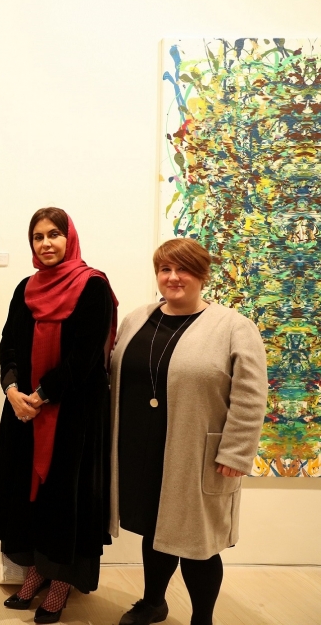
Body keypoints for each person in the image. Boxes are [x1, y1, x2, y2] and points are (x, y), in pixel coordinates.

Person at [109, 238, 267, 625]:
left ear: (202, 275)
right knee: (155, 529)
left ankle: (202, 619)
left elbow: (250, 396)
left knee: (199, 542)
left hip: (198, 453)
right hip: (140, 449)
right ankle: (153, 603)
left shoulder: (233, 327)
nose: (173, 277)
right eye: (165, 269)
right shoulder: (137, 318)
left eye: (184, 269)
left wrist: (236, 453)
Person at [0, 207, 118, 624]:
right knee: (30, 497)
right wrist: (12, 391)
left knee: (66, 499)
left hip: (73, 414)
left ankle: (60, 583)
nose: (46, 243)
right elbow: (8, 344)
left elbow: (85, 358)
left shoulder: (92, 287)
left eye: (54, 234)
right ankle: (35, 573)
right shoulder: (26, 288)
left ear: (69, 238)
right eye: (38, 236)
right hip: (25, 412)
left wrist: (40, 396)